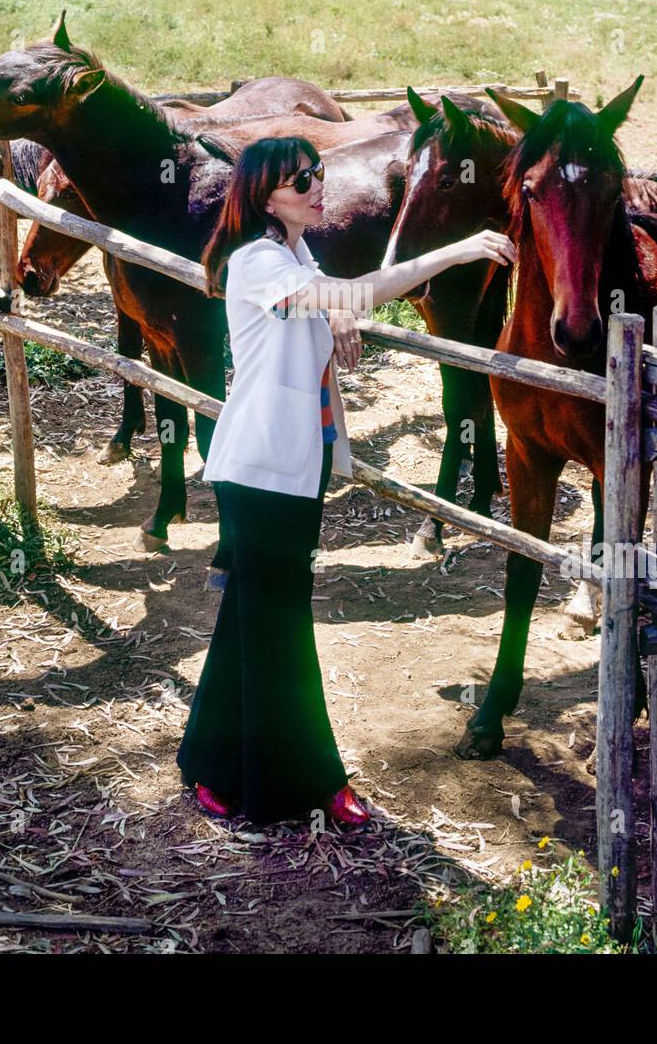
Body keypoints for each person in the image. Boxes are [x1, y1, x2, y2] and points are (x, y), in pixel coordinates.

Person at [177, 136, 515, 828]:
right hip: (261, 471)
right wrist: (454, 251)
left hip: (288, 469)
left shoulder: (295, 253)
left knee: (251, 624)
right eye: (302, 179)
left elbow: (329, 300)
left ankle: (209, 765)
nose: (316, 185)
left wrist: (333, 320)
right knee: (281, 631)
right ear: (266, 195)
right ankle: (311, 781)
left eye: (317, 173)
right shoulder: (257, 260)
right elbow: (355, 292)